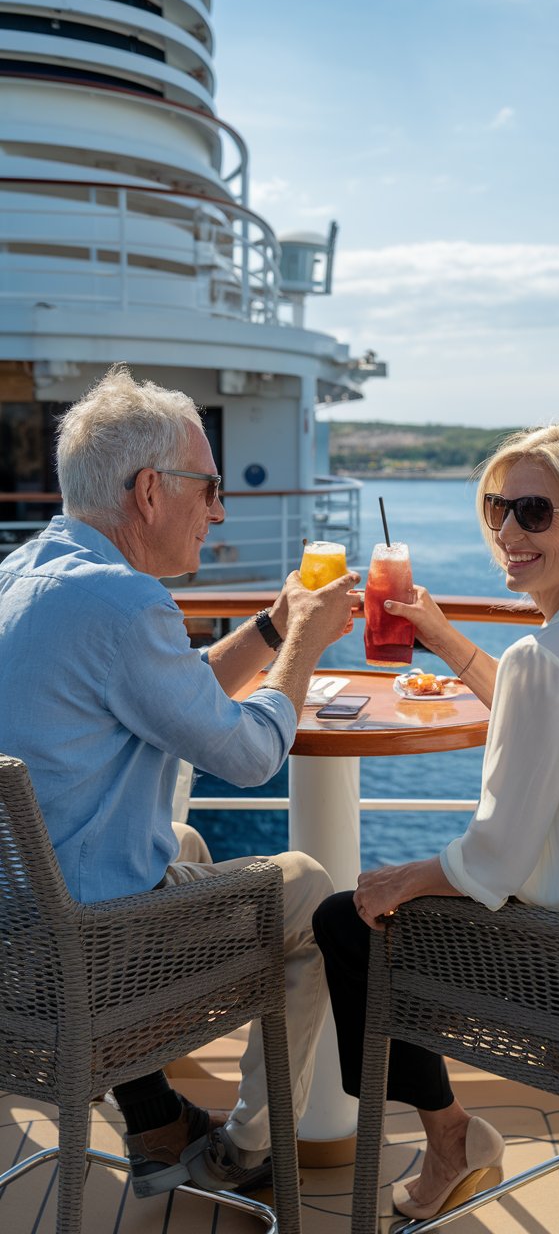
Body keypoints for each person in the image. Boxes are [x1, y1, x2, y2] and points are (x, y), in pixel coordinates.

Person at [313, 419, 559, 1222]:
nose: (504, 533)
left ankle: (451, 1139)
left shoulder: (548, 657)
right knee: (383, 902)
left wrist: (399, 880)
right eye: (496, 507)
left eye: (534, 512)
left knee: (346, 919)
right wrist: (449, 640)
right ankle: (452, 1139)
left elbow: (492, 862)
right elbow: (552, 710)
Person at [0, 365, 360, 1199]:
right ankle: (248, 1152)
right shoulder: (127, 604)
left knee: (183, 841)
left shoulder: (26, 577)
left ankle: (157, 1121)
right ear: (152, 490)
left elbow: (178, 689)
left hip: (13, 933)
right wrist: (304, 648)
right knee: (309, 891)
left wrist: (270, 628)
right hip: (75, 964)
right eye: (210, 490)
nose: (221, 511)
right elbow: (251, 755)